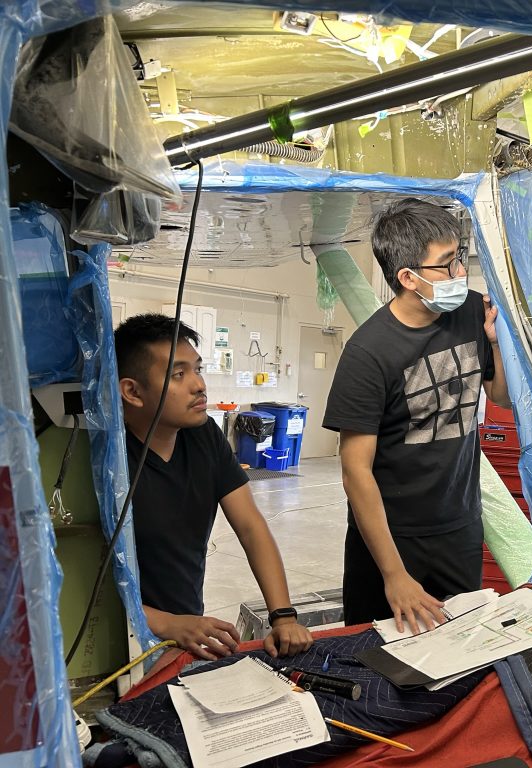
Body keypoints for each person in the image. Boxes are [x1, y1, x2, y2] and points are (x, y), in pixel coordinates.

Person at [323, 197, 510, 634]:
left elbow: (498, 395)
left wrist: (496, 344)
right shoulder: (369, 353)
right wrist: (393, 574)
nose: (460, 273)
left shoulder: (470, 312)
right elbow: (356, 471)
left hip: (460, 526)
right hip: (391, 538)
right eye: (446, 264)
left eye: (459, 258)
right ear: (407, 277)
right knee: (381, 658)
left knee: (462, 648)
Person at [115, 314, 314, 660]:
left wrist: (282, 616)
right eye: (179, 374)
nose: (198, 385)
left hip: (184, 632)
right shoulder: (108, 460)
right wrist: (167, 624)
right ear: (132, 391)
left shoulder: (204, 436)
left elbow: (251, 527)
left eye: (198, 369)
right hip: (120, 639)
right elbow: (84, 588)